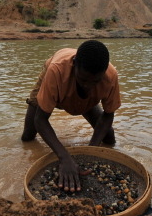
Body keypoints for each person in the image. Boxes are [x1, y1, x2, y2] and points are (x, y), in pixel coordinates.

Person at [21, 40, 121, 192]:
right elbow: (40, 120)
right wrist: (64, 157)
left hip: (84, 98)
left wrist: (90, 152)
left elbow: (108, 115)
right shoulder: (56, 70)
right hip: (53, 81)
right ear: (74, 64)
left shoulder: (110, 75)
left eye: (95, 81)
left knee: (109, 137)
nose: (88, 86)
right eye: (83, 80)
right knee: (27, 137)